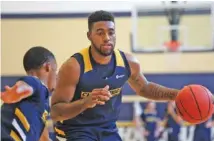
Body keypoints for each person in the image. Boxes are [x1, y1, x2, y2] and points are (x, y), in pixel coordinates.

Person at [51, 10, 179, 141]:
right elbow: (55, 112)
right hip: (75, 130)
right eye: (100, 33)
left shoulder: (128, 63)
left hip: (108, 129)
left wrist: (177, 95)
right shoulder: (74, 66)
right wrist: (85, 102)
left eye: (111, 32)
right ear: (89, 36)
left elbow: (144, 88)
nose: (106, 37)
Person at [1, 46, 57, 141]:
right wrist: (15, 93)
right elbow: (25, 85)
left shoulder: (45, 106)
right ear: (48, 67)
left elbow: (46, 137)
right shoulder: (36, 83)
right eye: (55, 71)